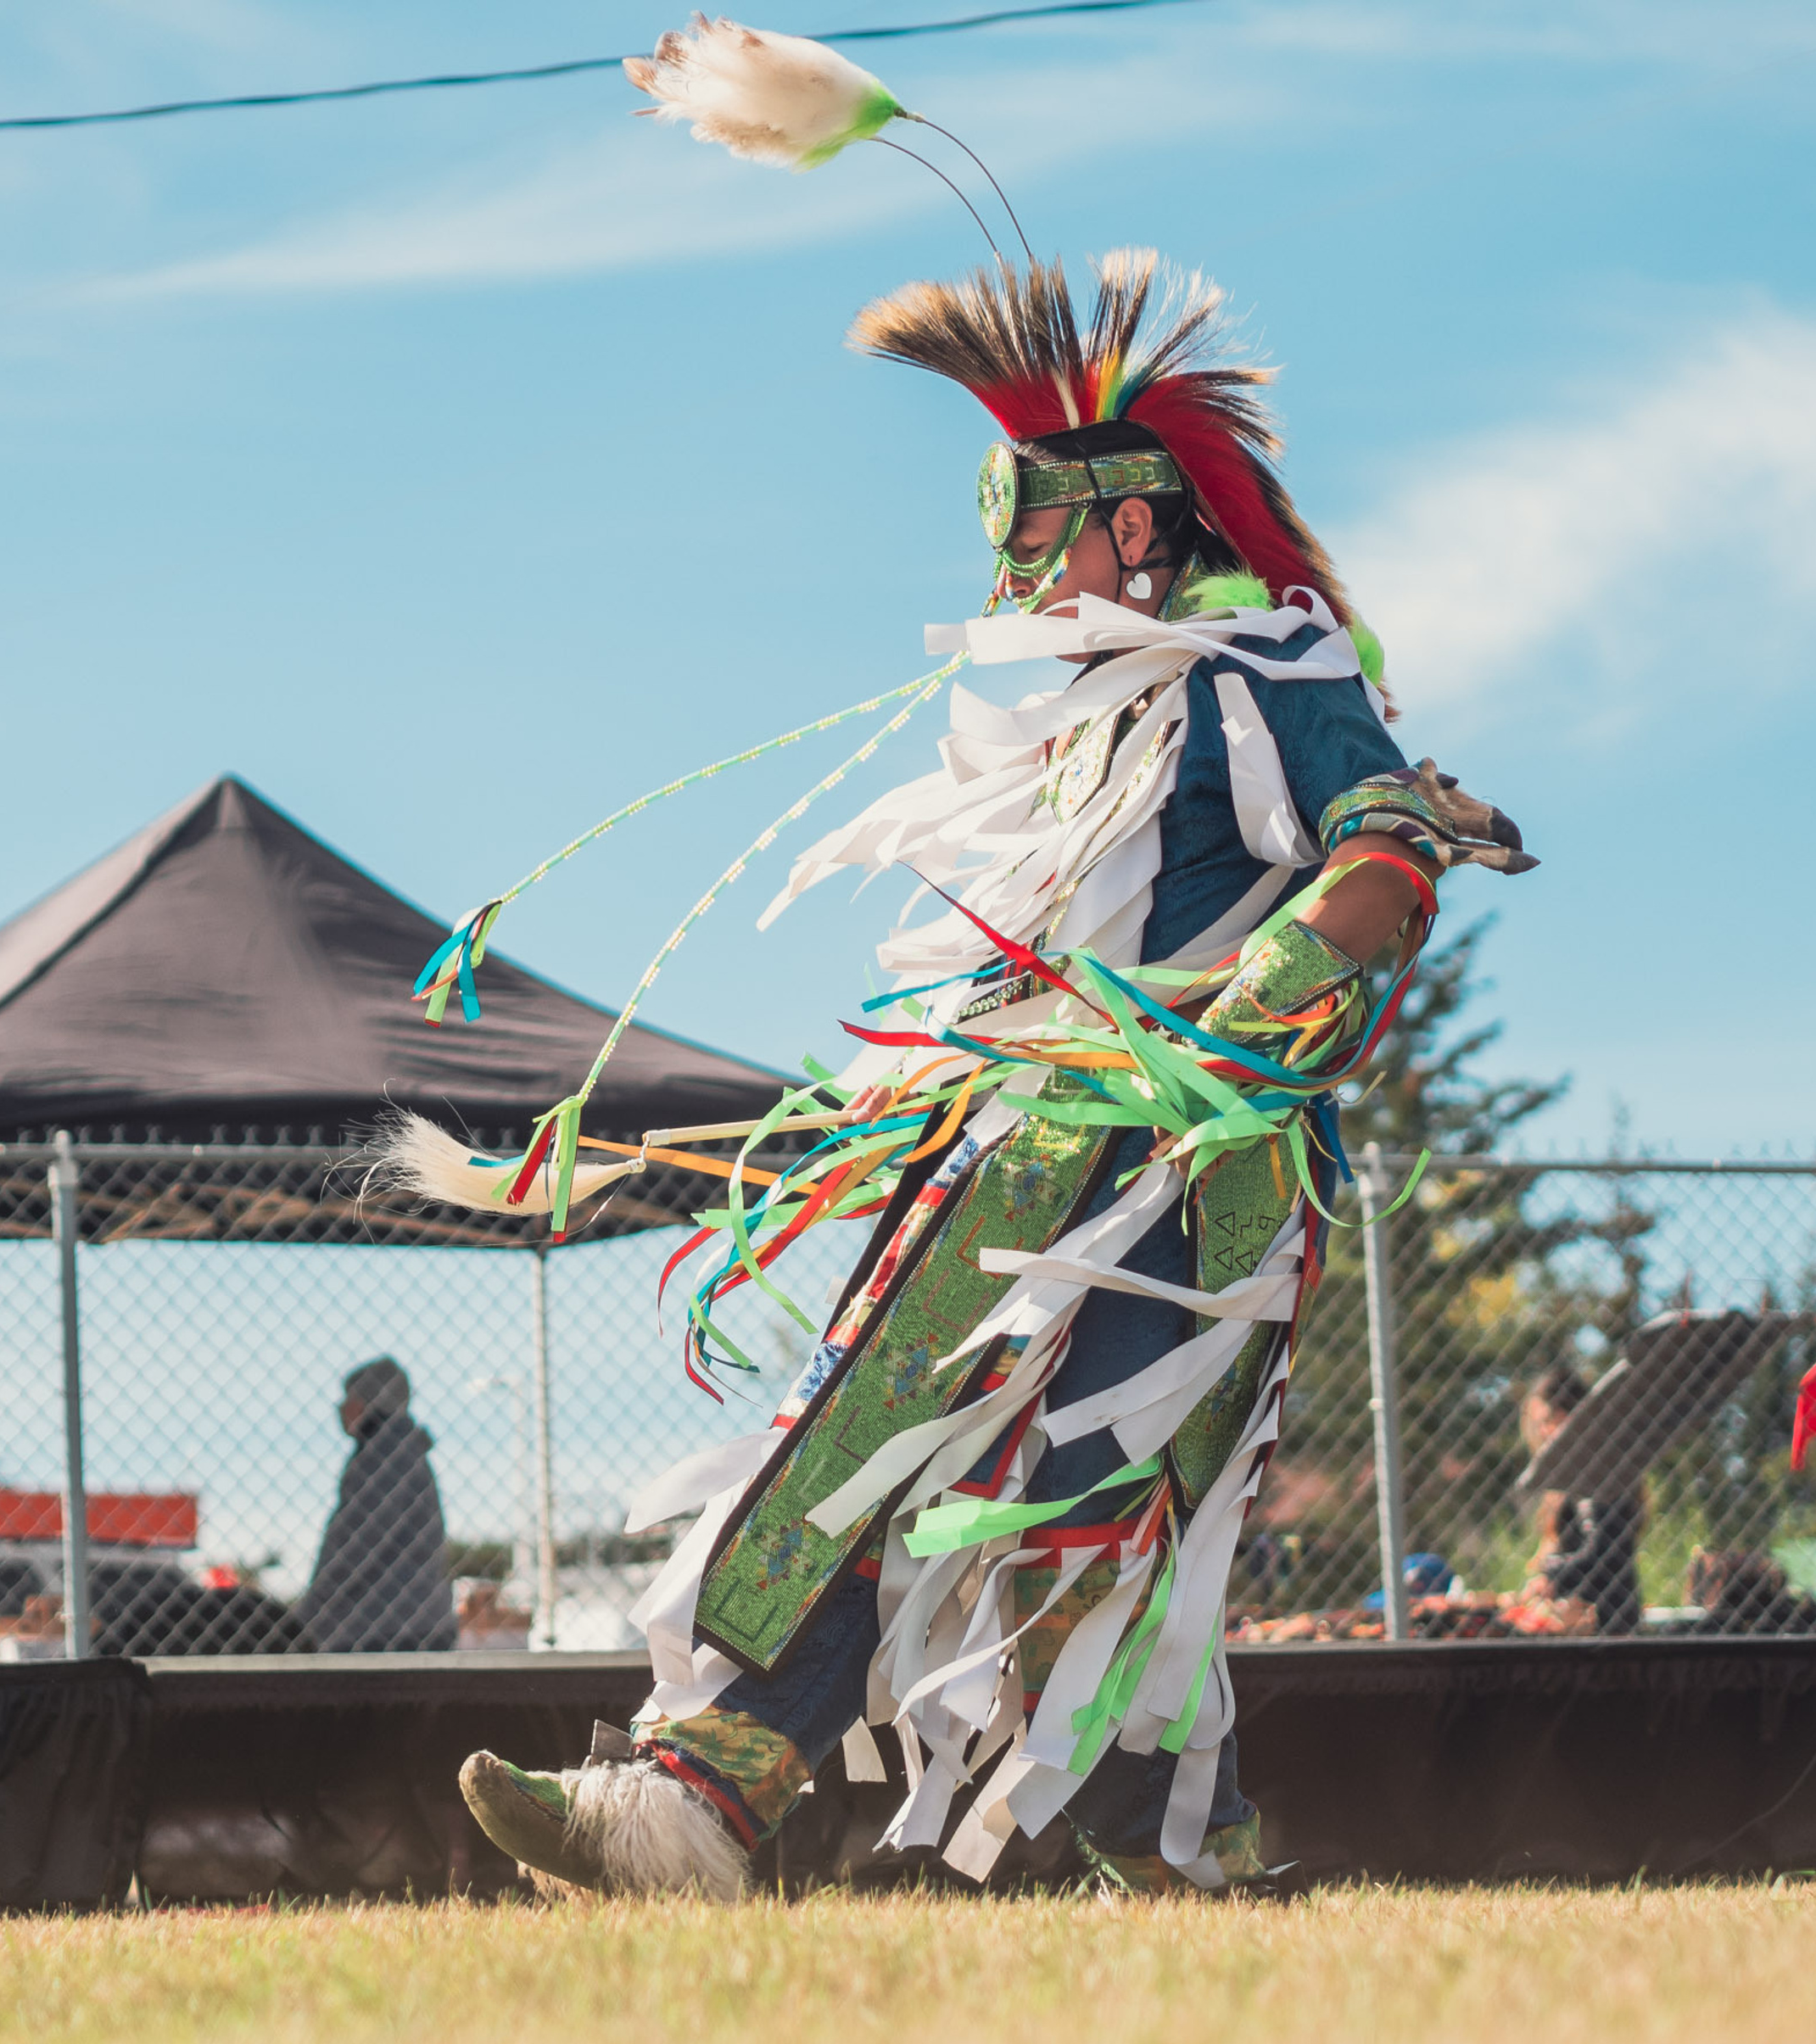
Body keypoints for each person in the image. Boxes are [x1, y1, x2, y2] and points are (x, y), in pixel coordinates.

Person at [444, 28, 1536, 1901]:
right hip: (1010, 1151)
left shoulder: (1271, 676)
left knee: (1096, 1503)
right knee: (860, 1436)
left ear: (1135, 517)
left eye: (1037, 516)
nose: (1013, 560)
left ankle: (1170, 1852)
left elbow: (1375, 864)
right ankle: (686, 1804)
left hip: (1187, 1176)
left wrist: (1238, 1021)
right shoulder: (1090, 716)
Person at [295, 1360, 456, 1653]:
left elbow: (355, 1544)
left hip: (380, 1629)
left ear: (366, 1403)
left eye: (348, 1399)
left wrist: (307, 1614)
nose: (342, 1408)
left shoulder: (382, 1454)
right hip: (411, 1621)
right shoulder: (403, 1449)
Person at [1522, 1365, 1646, 1635]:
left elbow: (1602, 1553)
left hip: (1604, 1625)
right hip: (1598, 1619)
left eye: (1547, 1420)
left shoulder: (1597, 1471)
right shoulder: (1588, 1471)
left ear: (1568, 1416)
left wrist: (1550, 1575)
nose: (1543, 1432)